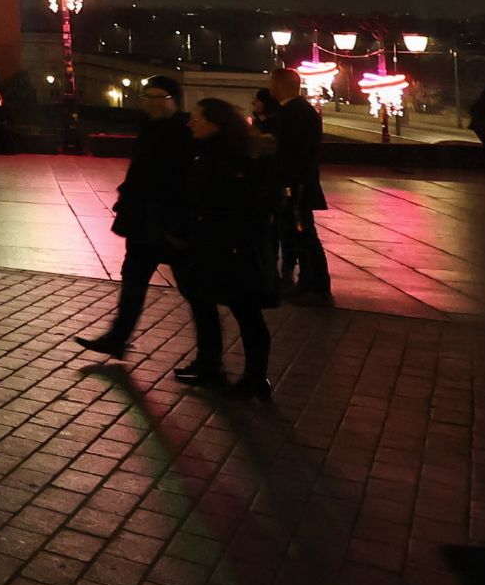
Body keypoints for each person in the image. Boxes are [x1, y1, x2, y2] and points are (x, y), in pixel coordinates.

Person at [74, 75, 191, 360]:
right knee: (134, 278)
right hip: (142, 218)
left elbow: (183, 182)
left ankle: (211, 357)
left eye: (159, 97)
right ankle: (118, 336)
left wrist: (179, 225)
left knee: (194, 289)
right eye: (148, 97)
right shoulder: (149, 127)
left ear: (174, 100)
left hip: (169, 221)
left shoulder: (183, 133)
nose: (152, 103)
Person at [176, 99, 276, 398]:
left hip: (232, 247)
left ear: (215, 123)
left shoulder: (236, 158)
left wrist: (232, 236)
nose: (190, 123)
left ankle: (255, 378)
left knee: (246, 311)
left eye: (196, 119)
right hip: (211, 243)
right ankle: (211, 365)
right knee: (203, 301)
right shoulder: (206, 151)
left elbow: (250, 204)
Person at [269, 67, 331, 304]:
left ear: (279, 85)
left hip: (296, 186)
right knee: (304, 235)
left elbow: (291, 153)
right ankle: (314, 283)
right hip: (301, 183)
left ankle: (312, 284)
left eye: (272, 83)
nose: (270, 88)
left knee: (303, 235)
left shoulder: (292, 113)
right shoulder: (302, 110)